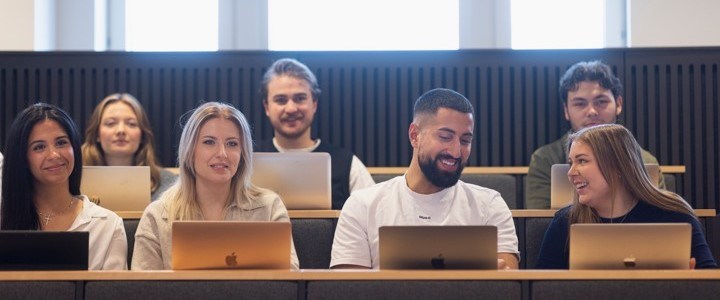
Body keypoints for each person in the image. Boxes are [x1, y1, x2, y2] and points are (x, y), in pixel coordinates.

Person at [330, 88, 519, 269]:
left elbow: (508, 287)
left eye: (465, 141)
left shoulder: (490, 205)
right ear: (414, 135)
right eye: (445, 137)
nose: (456, 151)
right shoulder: (362, 205)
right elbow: (350, 289)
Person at [132, 102, 299, 270]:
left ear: (243, 153)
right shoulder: (158, 215)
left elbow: (290, 280)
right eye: (209, 142)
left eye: (232, 144)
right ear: (190, 150)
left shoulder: (269, 207)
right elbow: (143, 289)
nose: (222, 154)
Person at [535, 124, 716, 269]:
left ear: (618, 166)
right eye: (571, 162)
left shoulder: (675, 214)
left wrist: (691, 282)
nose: (571, 172)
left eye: (582, 161)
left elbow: (708, 286)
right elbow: (542, 289)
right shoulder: (565, 221)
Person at [1, 103, 127, 270]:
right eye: (39, 147)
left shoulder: (107, 226)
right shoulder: (4, 218)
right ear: (22, 158)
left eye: (61, 143)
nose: (54, 154)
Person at [526, 61, 663, 209]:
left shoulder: (644, 160)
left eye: (601, 102)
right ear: (566, 110)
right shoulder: (544, 160)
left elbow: (660, 219)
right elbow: (539, 222)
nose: (592, 111)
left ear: (618, 104)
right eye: (580, 104)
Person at [257, 58, 374, 209]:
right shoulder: (247, 161)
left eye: (300, 98)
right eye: (281, 100)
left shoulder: (347, 163)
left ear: (314, 104)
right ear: (266, 107)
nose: (291, 108)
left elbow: (374, 218)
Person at [82, 93, 177, 201]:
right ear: (97, 134)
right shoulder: (75, 182)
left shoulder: (169, 185)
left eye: (131, 124)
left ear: (142, 135)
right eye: (111, 123)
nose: (121, 130)